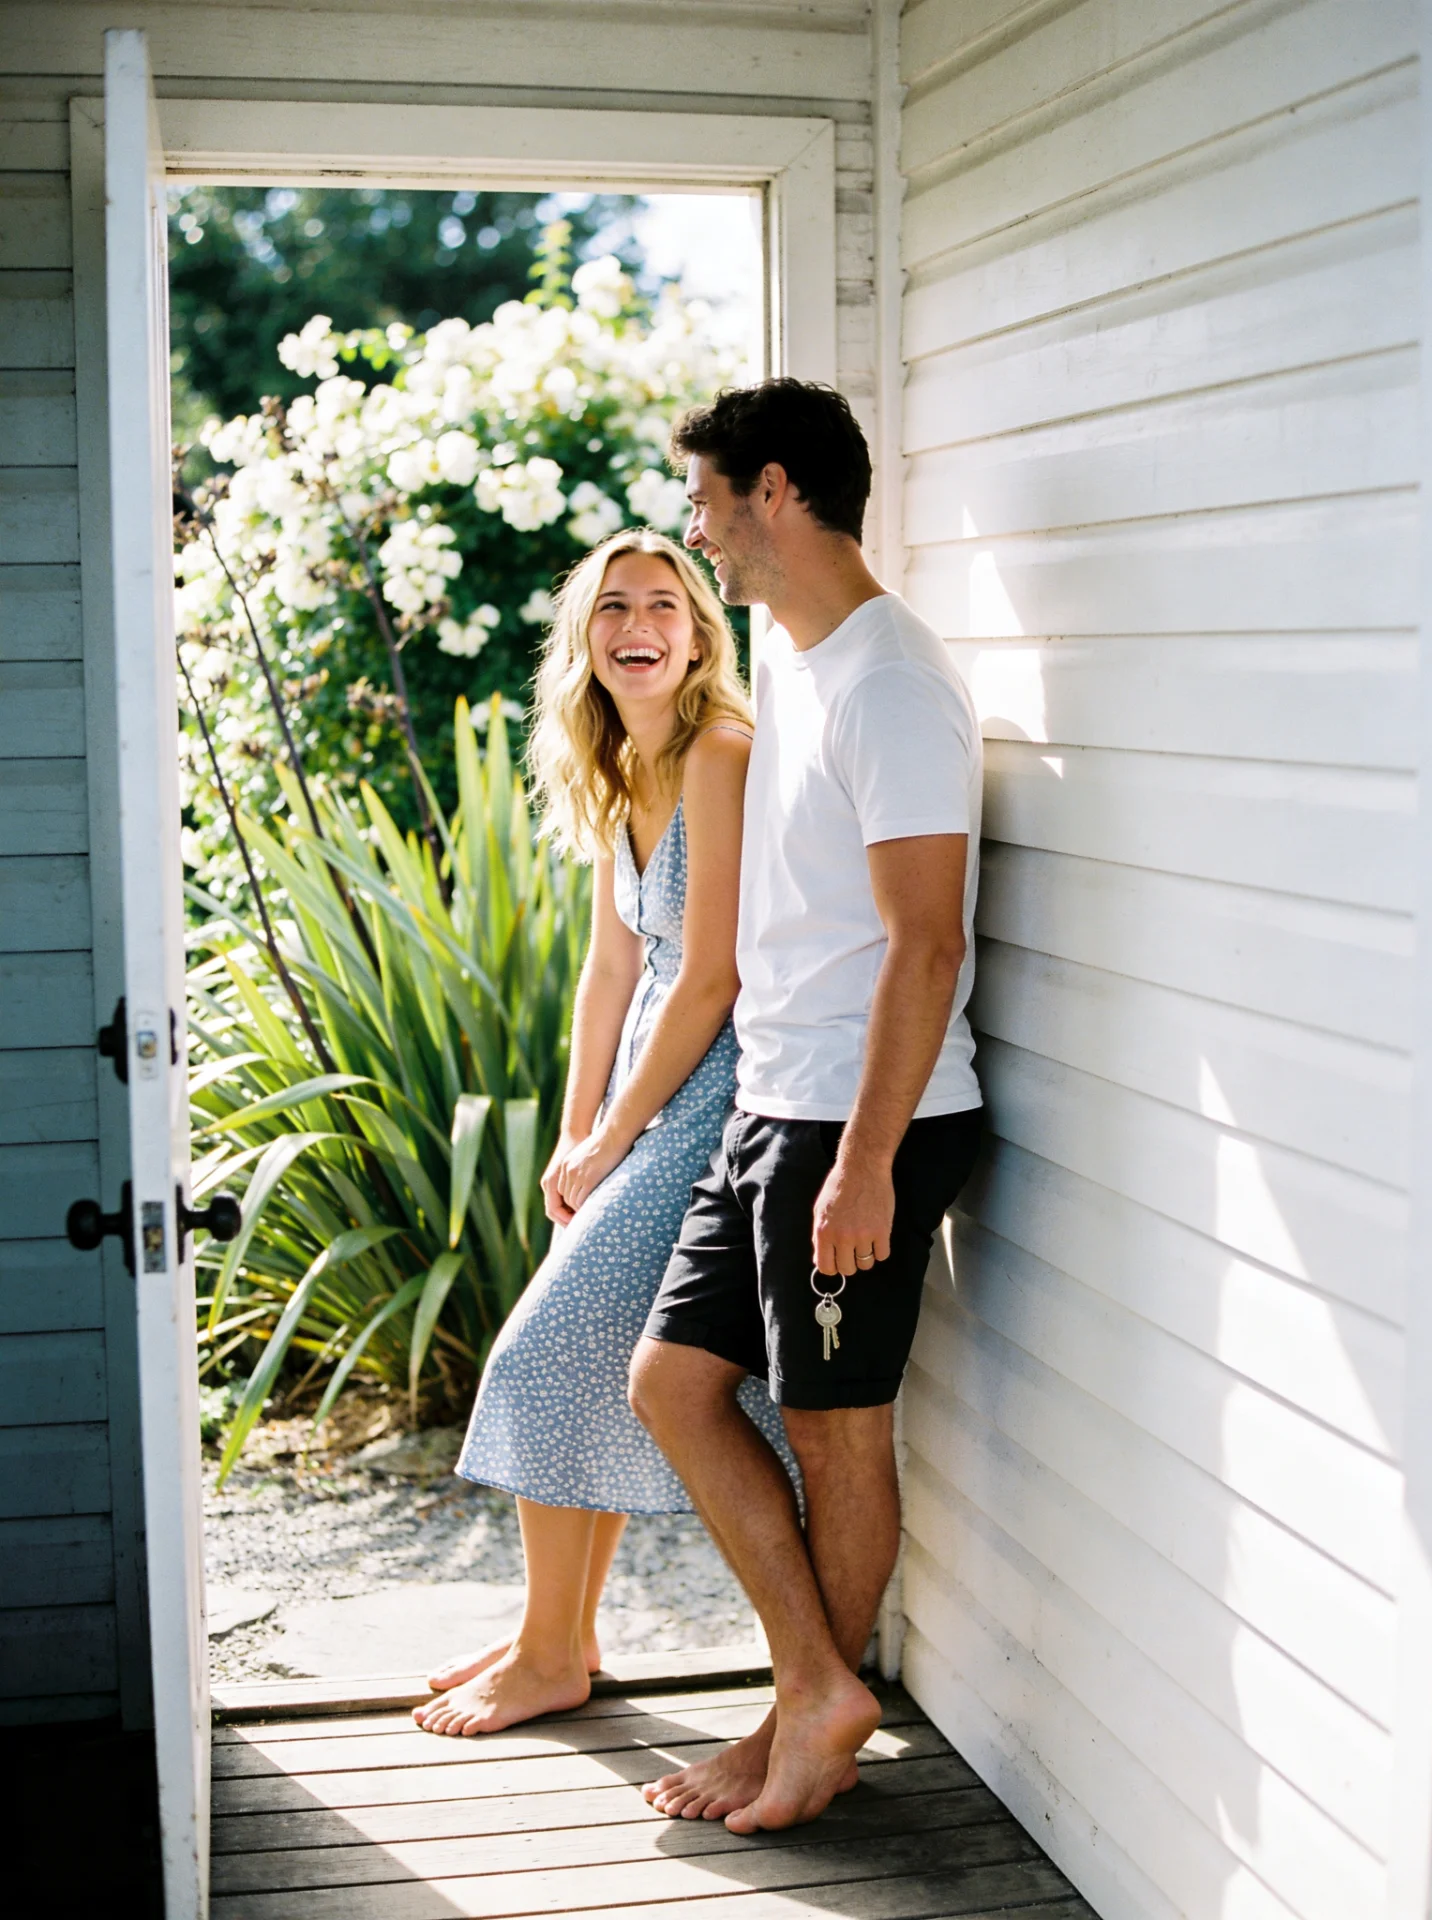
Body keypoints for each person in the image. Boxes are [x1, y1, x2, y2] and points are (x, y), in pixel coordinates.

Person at [628, 378, 985, 1831]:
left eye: (708, 503)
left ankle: (805, 1727)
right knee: (672, 1385)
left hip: (858, 1123)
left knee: (838, 1431)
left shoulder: (890, 682)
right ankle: (814, 1693)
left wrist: (870, 1163)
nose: (701, 535)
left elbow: (928, 939)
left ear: (776, 491)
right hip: (780, 1109)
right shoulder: (803, 663)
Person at [416, 526, 788, 1738]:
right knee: (586, 1356)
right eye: (616, 606)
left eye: (665, 605)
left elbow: (710, 975)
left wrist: (616, 1136)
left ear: (698, 634)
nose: (641, 625)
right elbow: (610, 967)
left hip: (716, 1091)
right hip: (642, 1089)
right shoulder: (621, 767)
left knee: (539, 1354)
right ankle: (559, 1638)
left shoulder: (723, 750)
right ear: (585, 638)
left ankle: (549, 1652)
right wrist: (575, 1138)